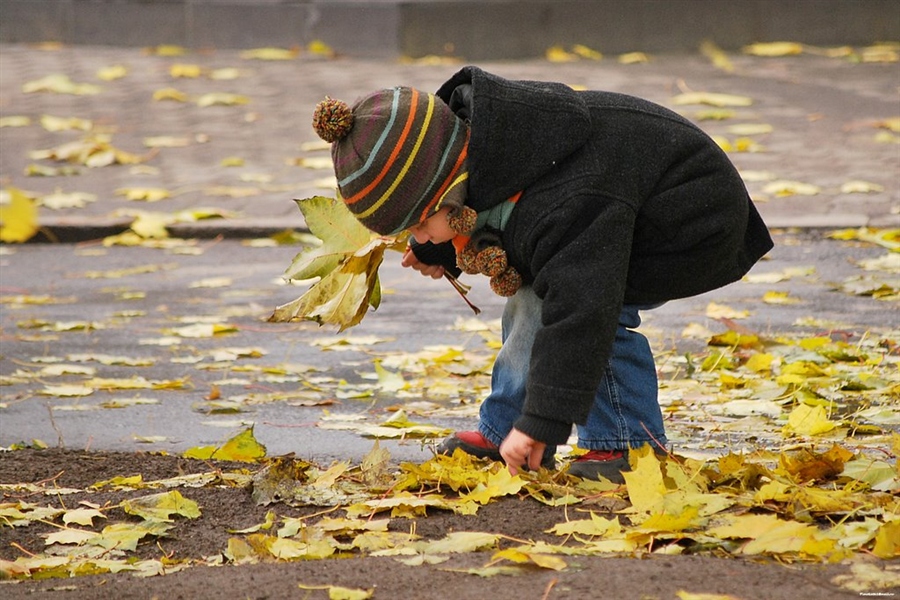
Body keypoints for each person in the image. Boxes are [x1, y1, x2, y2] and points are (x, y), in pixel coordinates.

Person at [310, 66, 773, 483]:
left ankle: (626, 446)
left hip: (689, 222)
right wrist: (443, 252)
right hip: (625, 200)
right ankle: (507, 432)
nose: (419, 236)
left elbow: (582, 311)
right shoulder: (486, 150)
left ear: (445, 192)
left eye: (418, 225)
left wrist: (544, 422)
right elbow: (482, 209)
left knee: (585, 305)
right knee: (538, 289)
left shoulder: (565, 200)